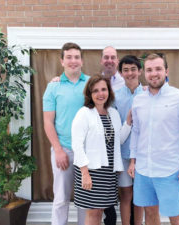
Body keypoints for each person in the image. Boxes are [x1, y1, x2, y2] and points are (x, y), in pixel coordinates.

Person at [128, 53, 179, 225]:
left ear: (166, 71)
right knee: (150, 214)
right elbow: (136, 131)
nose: (154, 74)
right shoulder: (138, 100)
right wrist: (133, 160)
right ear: (144, 73)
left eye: (158, 69)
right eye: (149, 70)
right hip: (144, 170)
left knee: (176, 218)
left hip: (170, 170)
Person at [71, 75, 131, 225]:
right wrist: (84, 173)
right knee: (93, 212)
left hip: (108, 172)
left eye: (103, 89)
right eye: (95, 91)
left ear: (109, 92)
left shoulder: (113, 113)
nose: (100, 94)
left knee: (101, 211)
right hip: (90, 171)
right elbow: (77, 145)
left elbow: (118, 140)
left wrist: (128, 123)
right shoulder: (84, 113)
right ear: (90, 94)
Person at [43, 42, 88, 225]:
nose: (73, 61)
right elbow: (48, 122)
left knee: (85, 201)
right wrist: (58, 150)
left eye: (76, 57)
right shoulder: (53, 87)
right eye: (68, 57)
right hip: (64, 150)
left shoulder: (92, 83)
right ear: (62, 61)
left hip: (87, 152)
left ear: (82, 61)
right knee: (61, 199)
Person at [114, 55, 144, 225]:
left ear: (139, 71)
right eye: (126, 70)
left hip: (143, 155)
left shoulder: (148, 94)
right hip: (123, 154)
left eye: (133, 69)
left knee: (140, 195)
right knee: (125, 194)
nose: (130, 73)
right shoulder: (115, 97)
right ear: (121, 73)